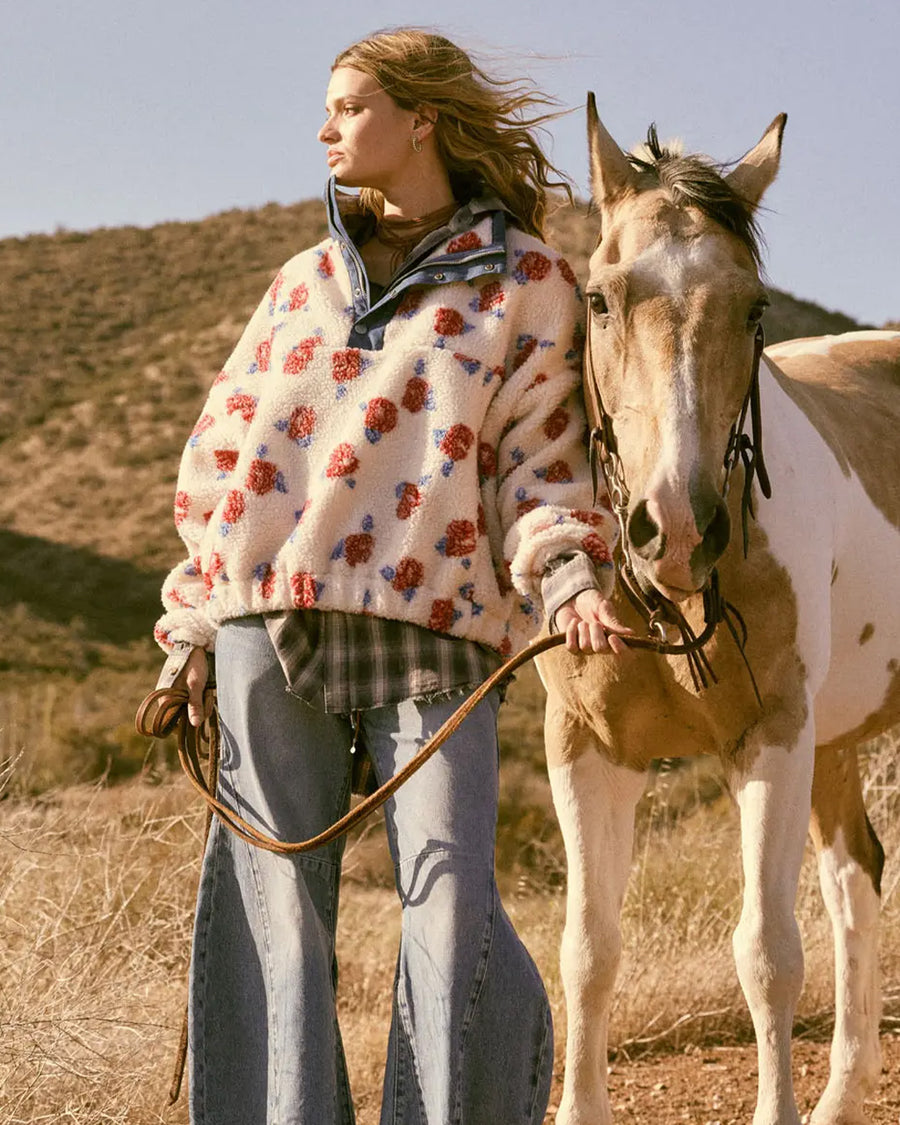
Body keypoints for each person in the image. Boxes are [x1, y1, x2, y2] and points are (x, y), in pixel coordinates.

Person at [154, 27, 627, 1125]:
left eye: (350, 105)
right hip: (262, 623)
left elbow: (542, 466)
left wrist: (570, 582)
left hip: (437, 626)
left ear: (423, 118)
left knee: (449, 900)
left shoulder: (531, 283)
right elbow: (220, 461)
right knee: (272, 902)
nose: (325, 129)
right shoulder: (301, 281)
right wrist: (189, 626)